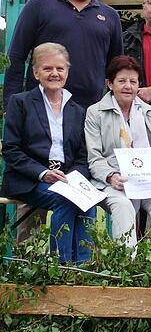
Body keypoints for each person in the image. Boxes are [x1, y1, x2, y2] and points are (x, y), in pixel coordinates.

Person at [4, 0, 123, 240]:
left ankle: (81, 265)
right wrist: (10, 104)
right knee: (38, 200)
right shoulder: (38, 6)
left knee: (82, 191)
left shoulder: (108, 15)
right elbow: (17, 56)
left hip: (90, 116)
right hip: (39, 114)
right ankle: (28, 257)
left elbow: (117, 66)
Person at [1, 43, 95, 263]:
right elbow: (11, 150)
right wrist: (43, 173)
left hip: (67, 178)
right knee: (66, 200)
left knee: (87, 202)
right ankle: (60, 267)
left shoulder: (77, 109)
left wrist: (74, 177)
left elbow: (82, 155)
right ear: (35, 73)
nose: (55, 73)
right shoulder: (21, 102)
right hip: (30, 179)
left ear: (67, 72)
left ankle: (84, 266)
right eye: (47, 68)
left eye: (60, 69)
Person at [84, 56, 151, 248]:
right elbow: (94, 157)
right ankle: (127, 268)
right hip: (112, 181)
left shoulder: (148, 112)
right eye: (122, 81)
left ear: (139, 85)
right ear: (110, 84)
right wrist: (111, 176)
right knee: (124, 205)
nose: (128, 86)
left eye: (133, 82)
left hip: (145, 179)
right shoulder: (95, 112)